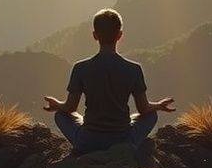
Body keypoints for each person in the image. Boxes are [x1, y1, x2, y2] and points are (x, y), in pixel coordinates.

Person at [43, 8, 175, 154]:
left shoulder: (80, 68)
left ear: (95, 35)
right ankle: (127, 149)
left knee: (60, 115)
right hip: (124, 139)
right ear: (120, 35)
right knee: (152, 114)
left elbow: (70, 107)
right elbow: (143, 109)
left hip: (88, 141)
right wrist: (159, 106)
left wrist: (57, 104)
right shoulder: (133, 69)